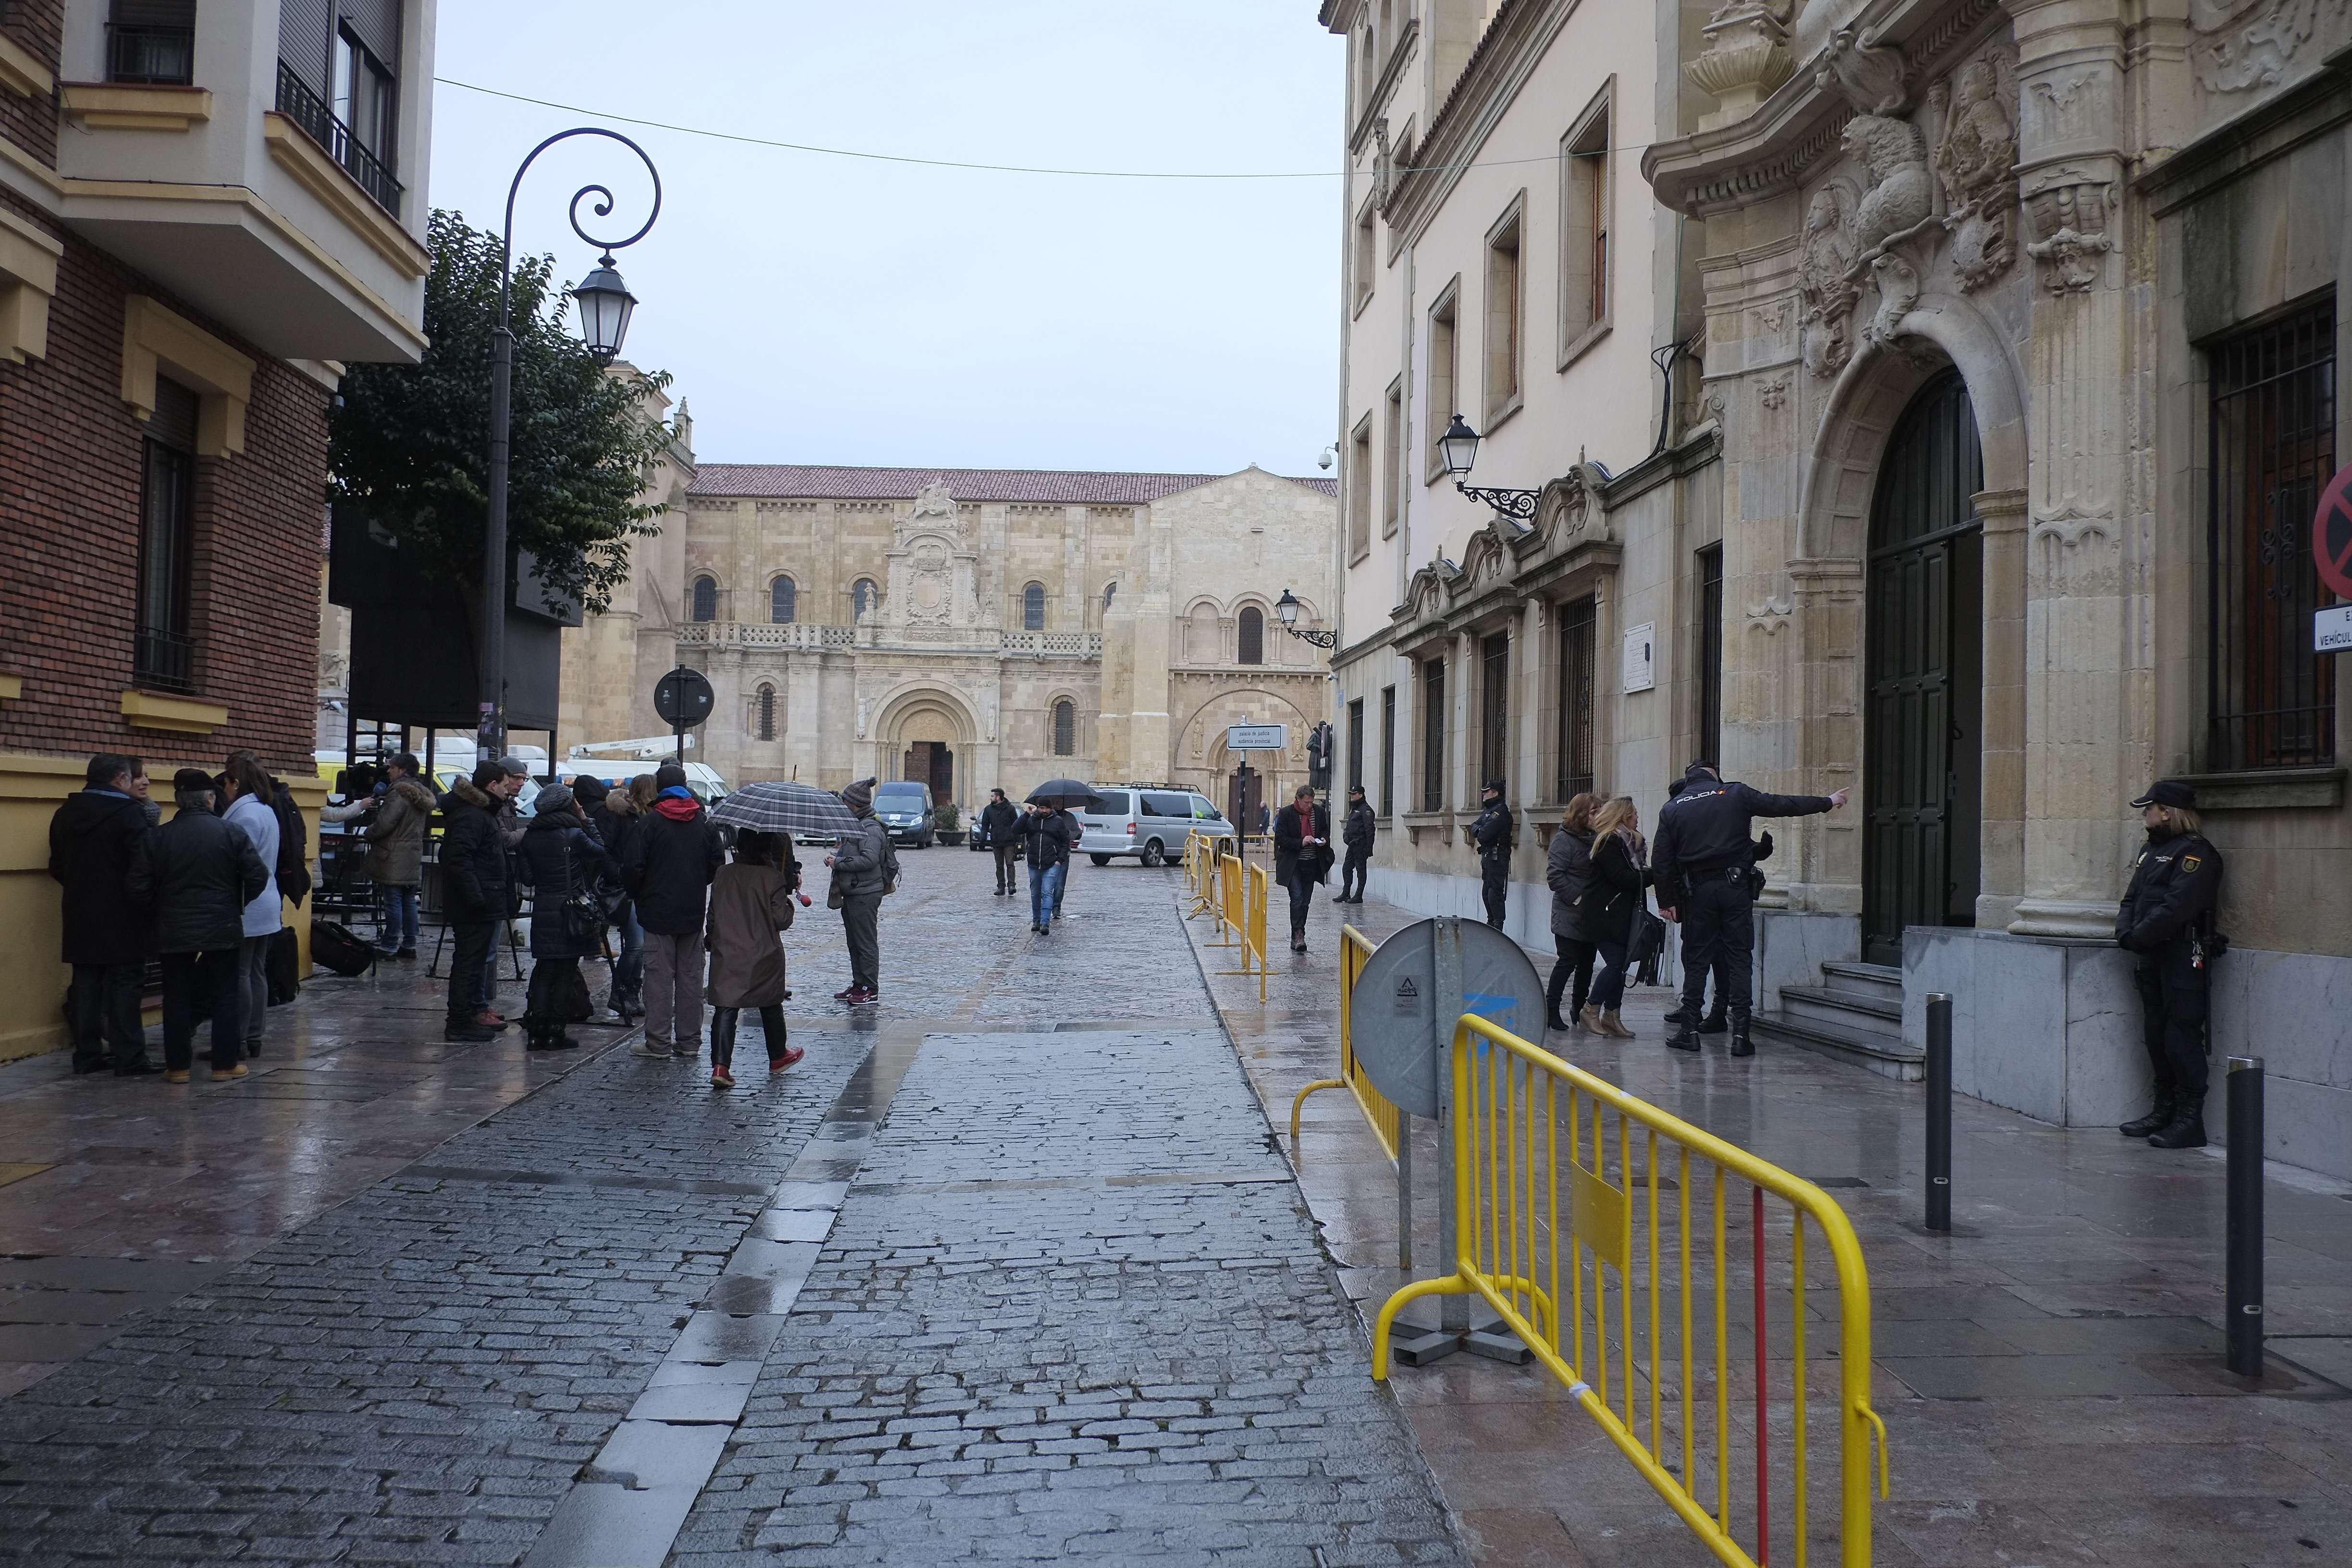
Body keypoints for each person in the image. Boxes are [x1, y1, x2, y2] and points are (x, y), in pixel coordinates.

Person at [1654, 760, 1849, 1057]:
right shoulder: (1734, 794)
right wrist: (1828, 802)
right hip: (1736, 888)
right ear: (1714, 776)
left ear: (1688, 779)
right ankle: (1741, 1036)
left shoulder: (1673, 807)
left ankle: (1689, 1031)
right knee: (1740, 958)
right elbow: (1781, 804)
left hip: (1698, 893)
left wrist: (1666, 901)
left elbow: (1662, 860)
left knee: (1696, 960)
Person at [134, 768, 267, 1083]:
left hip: (173, 927)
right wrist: (237, 905)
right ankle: (225, 1064)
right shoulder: (231, 833)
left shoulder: (158, 836)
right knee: (225, 995)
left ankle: (178, 1067)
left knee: (176, 996)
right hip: (222, 926)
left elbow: (137, 885)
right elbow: (258, 876)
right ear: (210, 799)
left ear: (179, 801)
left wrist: (158, 910)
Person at [2115, 780, 2225, 1149]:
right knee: (2156, 1034)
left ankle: (2189, 1121)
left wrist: (2138, 936)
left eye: (2149, 808)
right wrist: (2125, 933)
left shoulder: (2196, 854)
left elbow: (2178, 908)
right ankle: (2163, 1110)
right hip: (2152, 954)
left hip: (2182, 953)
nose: (2144, 813)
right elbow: (2132, 897)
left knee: (2181, 1036)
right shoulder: (2151, 850)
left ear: (2167, 812)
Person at [48, 754, 156, 1075]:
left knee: (86, 982)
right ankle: (130, 1057)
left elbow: (57, 865)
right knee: (125, 984)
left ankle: (87, 1054)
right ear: (120, 779)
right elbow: (145, 865)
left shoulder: (65, 814)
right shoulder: (130, 815)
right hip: (124, 913)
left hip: (80, 911)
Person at [622, 762, 724, 1057]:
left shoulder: (650, 823)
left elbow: (632, 867)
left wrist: (640, 893)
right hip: (691, 913)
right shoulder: (704, 823)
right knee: (691, 979)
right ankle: (690, 1042)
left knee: (658, 979)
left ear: (659, 788)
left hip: (657, 913)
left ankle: (658, 1043)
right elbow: (716, 866)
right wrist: (695, 884)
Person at [515, 783, 620, 1052]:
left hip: (544, 909)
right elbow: (600, 849)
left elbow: (527, 877)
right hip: (571, 911)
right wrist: (586, 819)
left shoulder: (530, 836)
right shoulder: (573, 834)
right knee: (564, 974)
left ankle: (536, 1034)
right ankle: (555, 1033)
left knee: (545, 972)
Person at [705, 830, 806, 1089]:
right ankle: (778, 1056)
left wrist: (711, 938)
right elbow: (782, 920)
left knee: (726, 1006)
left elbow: (713, 914)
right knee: (770, 1003)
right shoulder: (771, 877)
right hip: (762, 952)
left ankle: (720, 1066)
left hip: (728, 951)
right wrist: (788, 899)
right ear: (765, 850)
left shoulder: (723, 873)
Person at [439, 764, 511, 1042]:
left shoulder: (481, 814)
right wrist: (477, 898)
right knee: (468, 963)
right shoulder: (472, 816)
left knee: (475, 962)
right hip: (474, 905)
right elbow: (458, 859)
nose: (508, 790)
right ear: (492, 785)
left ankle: (468, 1015)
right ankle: (458, 1021)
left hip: (482, 900)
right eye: (505, 784)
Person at [220, 752, 281, 1063]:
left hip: (249, 903)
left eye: (227, 784)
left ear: (237, 783)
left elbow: (238, 863)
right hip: (267, 900)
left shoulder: (245, 815)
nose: (224, 791)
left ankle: (240, 1038)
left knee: (242, 973)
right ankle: (254, 1035)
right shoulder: (266, 810)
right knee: (256, 971)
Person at [1574, 797, 1653, 1038]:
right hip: (1604, 915)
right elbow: (1623, 878)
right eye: (1634, 813)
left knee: (1623, 964)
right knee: (1617, 963)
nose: (1638, 817)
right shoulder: (1609, 842)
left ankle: (1612, 1015)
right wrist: (1655, 876)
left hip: (1622, 915)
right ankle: (1590, 1008)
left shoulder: (1630, 843)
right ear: (1623, 817)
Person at [590, 776, 651, 1022]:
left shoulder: (648, 817)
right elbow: (603, 849)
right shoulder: (619, 815)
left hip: (642, 886)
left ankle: (631, 994)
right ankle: (619, 992)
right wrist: (619, 874)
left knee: (642, 948)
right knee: (636, 945)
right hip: (623, 888)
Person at [363, 751, 433, 961]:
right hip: (411, 853)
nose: (389, 771)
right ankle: (409, 944)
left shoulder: (399, 793)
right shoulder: (420, 792)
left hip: (392, 855)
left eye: (392, 767)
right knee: (409, 901)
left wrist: (369, 832)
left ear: (402, 770)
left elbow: (386, 823)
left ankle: (389, 945)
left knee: (393, 902)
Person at [827, 777, 893, 998]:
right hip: (853, 891)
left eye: (845, 801)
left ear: (855, 804)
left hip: (866, 893)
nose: (843, 804)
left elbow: (869, 860)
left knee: (865, 942)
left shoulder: (870, 828)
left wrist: (838, 863)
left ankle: (870, 988)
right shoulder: (856, 825)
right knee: (854, 942)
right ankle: (859, 983)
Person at [1544, 793, 1603, 1031]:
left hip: (1591, 913)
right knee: (1567, 961)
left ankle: (1579, 1009)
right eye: (1593, 812)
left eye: (1600, 810)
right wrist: (1578, 899)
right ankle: (1551, 1009)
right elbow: (1554, 876)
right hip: (1570, 912)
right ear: (1580, 815)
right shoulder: (1563, 840)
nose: (1598, 816)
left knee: (1587, 964)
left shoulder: (1597, 838)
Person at [1271, 784, 1331, 953]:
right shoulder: (1286, 813)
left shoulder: (1318, 813)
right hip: (1293, 865)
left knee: (1305, 901)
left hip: (1311, 863)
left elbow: (1325, 830)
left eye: (1311, 802)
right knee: (1297, 898)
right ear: (1298, 799)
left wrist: (1324, 839)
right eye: (1306, 802)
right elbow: (1281, 839)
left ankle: (1297, 933)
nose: (1309, 806)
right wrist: (1301, 842)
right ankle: (1299, 934)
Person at [1016, 796, 1076, 936]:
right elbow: (1016, 829)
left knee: (1047, 892)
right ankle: (1036, 920)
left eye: (1046, 808)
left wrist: (1059, 860)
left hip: (1051, 863)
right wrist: (1026, 815)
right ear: (1038, 807)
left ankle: (1045, 923)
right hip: (1034, 863)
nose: (1044, 811)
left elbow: (1064, 842)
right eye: (1041, 808)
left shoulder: (1058, 822)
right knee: (1035, 893)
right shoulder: (1031, 820)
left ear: (1050, 809)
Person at [1471, 780, 1512, 929]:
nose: (1484, 794)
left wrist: (1480, 830)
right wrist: (1479, 830)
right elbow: (1474, 826)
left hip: (1497, 857)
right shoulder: (1489, 811)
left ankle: (1497, 926)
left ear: (1495, 793)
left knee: (1495, 894)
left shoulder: (1500, 812)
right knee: (1486, 892)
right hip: (1488, 856)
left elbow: (1483, 835)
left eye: (1487, 791)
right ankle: (1491, 922)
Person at [980, 787, 1021, 896]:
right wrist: (983, 838)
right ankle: (1001, 887)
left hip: (1009, 841)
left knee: (1010, 863)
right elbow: (985, 825)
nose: (991, 798)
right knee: (999, 865)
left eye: (992, 796)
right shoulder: (988, 809)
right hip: (996, 840)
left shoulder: (1010, 809)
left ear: (998, 797)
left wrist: (1019, 841)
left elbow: (1016, 824)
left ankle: (1012, 885)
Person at [1337, 784, 1375, 904]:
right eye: (1351, 794)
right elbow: (1350, 826)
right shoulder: (1354, 808)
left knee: (1361, 871)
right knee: (1346, 869)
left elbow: (1370, 830)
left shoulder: (1366, 810)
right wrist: (1346, 837)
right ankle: (1346, 893)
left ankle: (1359, 895)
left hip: (1361, 845)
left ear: (1361, 794)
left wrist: (1369, 849)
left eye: (1354, 794)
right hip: (1352, 845)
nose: (1352, 796)